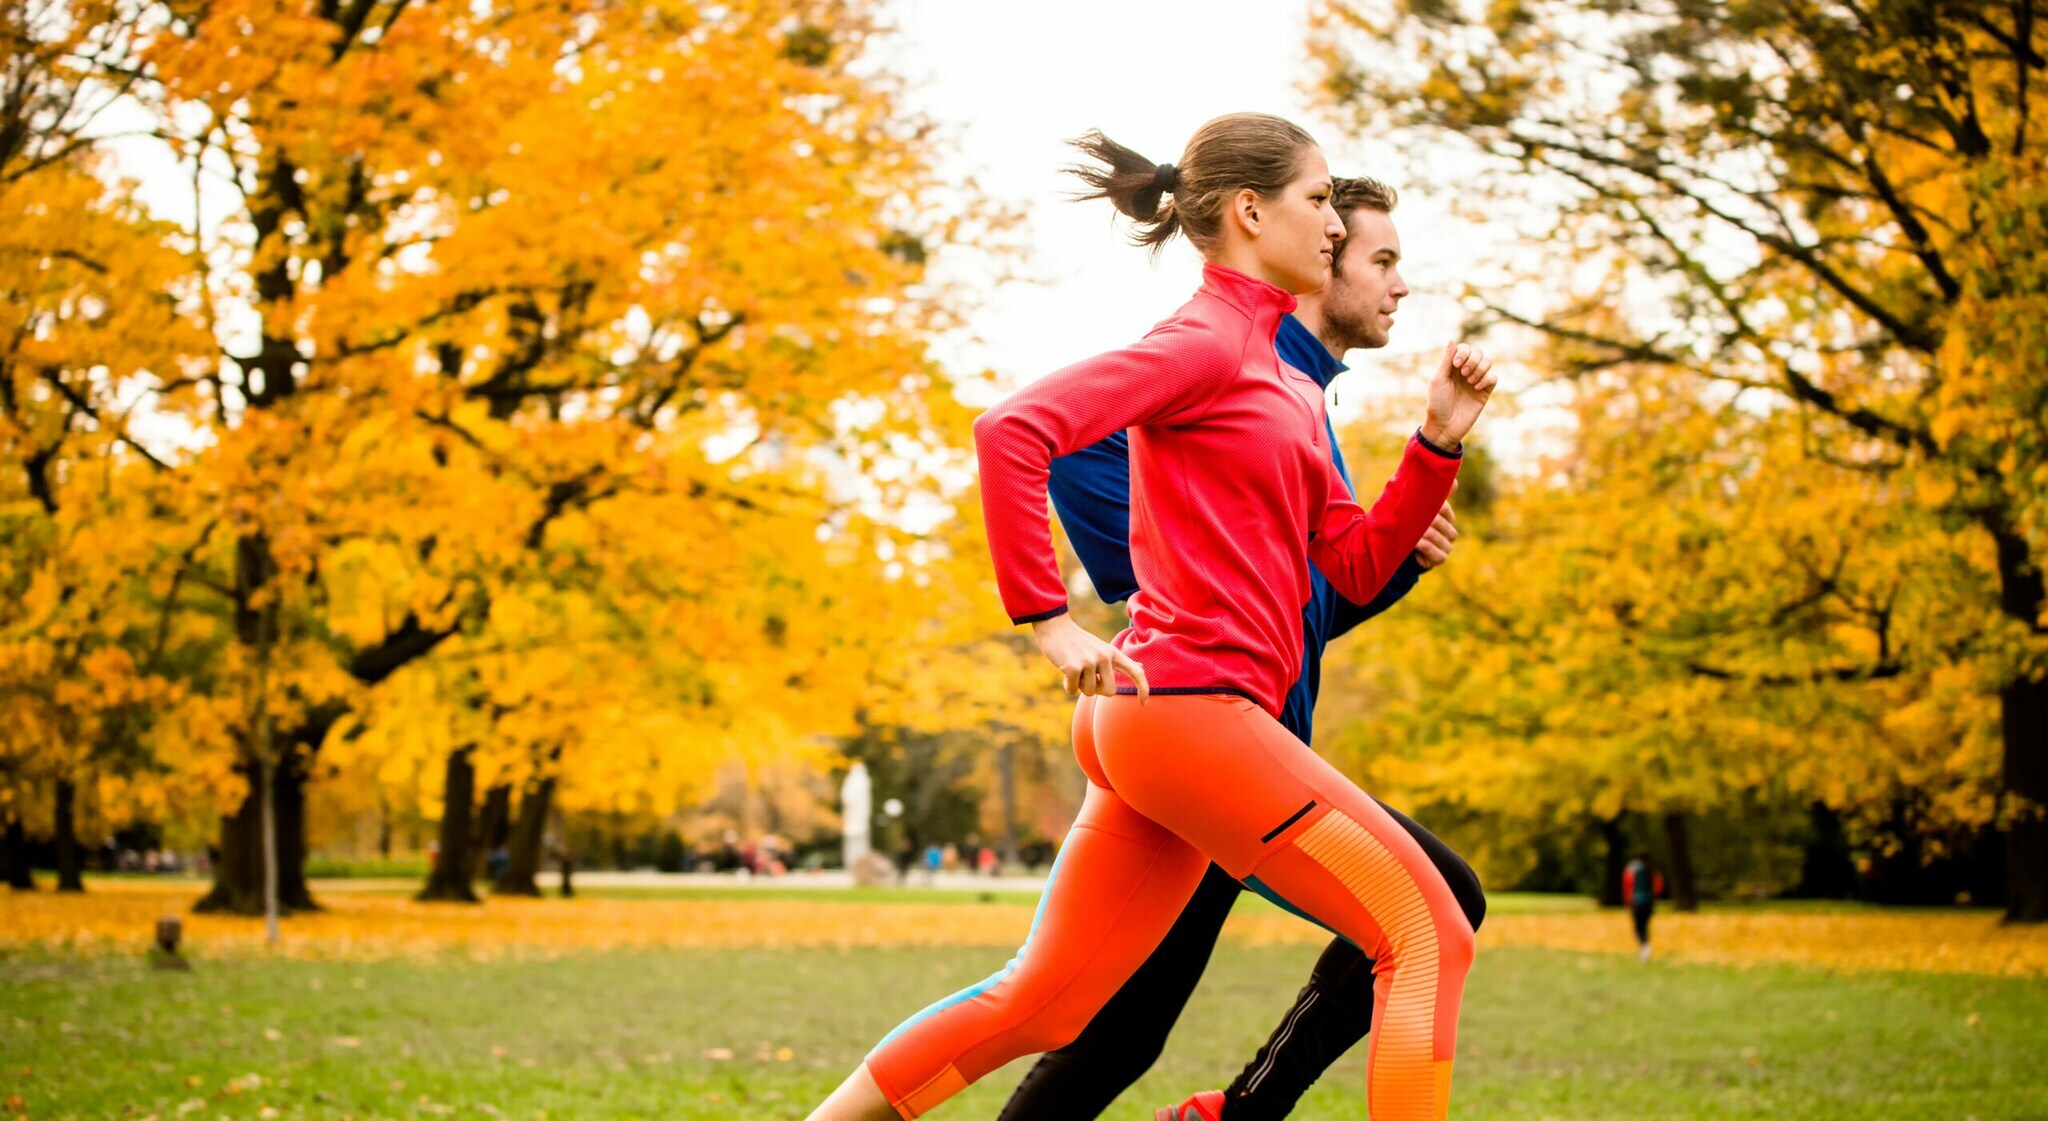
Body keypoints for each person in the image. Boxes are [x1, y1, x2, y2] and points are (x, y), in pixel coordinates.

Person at [802, 112, 1497, 1121]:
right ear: (1251, 212)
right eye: (1319, 203)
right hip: (1188, 712)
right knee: (1427, 929)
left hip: (1167, 719)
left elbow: (1350, 558)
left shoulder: (1284, 381)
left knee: (1043, 1002)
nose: (1335, 231)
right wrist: (1047, 617)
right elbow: (1014, 430)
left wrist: (1433, 442)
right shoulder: (1204, 340)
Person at [1000, 175, 1486, 1121]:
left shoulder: (1303, 398)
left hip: (1259, 746)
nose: (1399, 284)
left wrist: (1392, 560)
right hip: (1193, 739)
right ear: (1318, 255)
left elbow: (1303, 605)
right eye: (1379, 259)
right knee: (1103, 1033)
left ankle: (1242, 1109)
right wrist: (1151, 585)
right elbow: (1060, 447)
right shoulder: (1226, 367)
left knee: (1114, 1037)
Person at [1623, 850, 1663, 962]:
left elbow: (1628, 885)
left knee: (1638, 928)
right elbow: (1659, 885)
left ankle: (1644, 949)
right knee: (1645, 927)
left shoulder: (1632, 869)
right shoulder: (1653, 870)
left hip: (1636, 902)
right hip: (1649, 902)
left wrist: (1628, 902)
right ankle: (1646, 949)